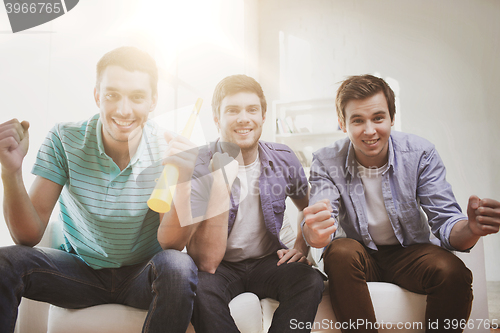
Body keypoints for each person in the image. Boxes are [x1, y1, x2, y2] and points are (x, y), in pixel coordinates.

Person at [0, 46, 199, 333]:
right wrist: (10, 172)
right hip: (78, 272)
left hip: (142, 276)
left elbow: (172, 245)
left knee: (179, 266)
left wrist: (185, 181)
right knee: (5, 262)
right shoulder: (64, 139)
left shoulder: (167, 149)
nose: (123, 109)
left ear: (153, 101)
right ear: (97, 96)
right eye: (112, 95)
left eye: (137, 97)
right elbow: (27, 236)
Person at [301, 74, 500, 332]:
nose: (370, 130)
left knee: (453, 272)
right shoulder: (326, 161)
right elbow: (320, 228)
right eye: (358, 120)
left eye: (378, 118)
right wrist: (313, 233)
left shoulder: (420, 154)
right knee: (339, 251)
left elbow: (447, 223)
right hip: (358, 256)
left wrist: (471, 229)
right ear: (343, 124)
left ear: (392, 118)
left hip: (409, 253)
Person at [187, 74, 325, 333]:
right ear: (216, 118)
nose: (243, 118)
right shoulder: (197, 164)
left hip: (267, 261)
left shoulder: (284, 158)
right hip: (219, 267)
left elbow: (309, 207)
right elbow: (200, 255)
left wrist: (300, 246)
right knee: (197, 288)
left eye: (252, 109)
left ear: (263, 116)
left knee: (309, 279)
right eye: (232, 110)